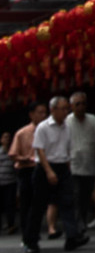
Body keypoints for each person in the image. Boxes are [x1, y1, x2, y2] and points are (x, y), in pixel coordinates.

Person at [23, 96, 89, 253]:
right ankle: (31, 241)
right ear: (53, 110)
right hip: (45, 167)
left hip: (62, 166)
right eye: (63, 109)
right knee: (38, 206)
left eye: (67, 108)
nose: (66, 112)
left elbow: (67, 149)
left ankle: (72, 237)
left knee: (68, 202)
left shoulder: (67, 127)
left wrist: (67, 169)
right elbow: (40, 150)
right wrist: (48, 171)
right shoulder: (43, 127)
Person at [66, 91, 95, 235]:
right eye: (77, 104)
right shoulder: (67, 121)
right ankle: (77, 225)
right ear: (71, 106)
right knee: (75, 195)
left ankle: (81, 221)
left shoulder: (93, 120)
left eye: (83, 103)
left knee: (85, 197)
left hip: (89, 165)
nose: (81, 107)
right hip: (73, 166)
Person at [9, 102, 46, 245]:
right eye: (40, 112)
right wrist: (23, 158)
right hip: (26, 169)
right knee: (26, 204)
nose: (43, 116)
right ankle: (27, 235)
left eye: (45, 112)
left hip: (42, 168)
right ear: (31, 114)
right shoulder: (22, 133)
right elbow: (13, 154)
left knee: (39, 204)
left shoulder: (48, 131)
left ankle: (34, 233)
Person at [0, 132, 18, 234]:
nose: (7, 139)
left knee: (10, 204)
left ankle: (11, 224)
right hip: (1, 180)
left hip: (10, 181)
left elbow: (16, 168)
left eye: (8, 137)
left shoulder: (12, 153)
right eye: (5, 137)